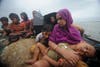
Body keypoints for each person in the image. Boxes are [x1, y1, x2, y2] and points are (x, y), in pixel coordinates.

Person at [31, 9, 95, 67]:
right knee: (36, 65)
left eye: (61, 18)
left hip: (56, 58)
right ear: (84, 42)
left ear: (67, 17)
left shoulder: (76, 34)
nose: (58, 21)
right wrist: (63, 52)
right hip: (53, 50)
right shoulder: (56, 27)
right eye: (57, 19)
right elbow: (50, 42)